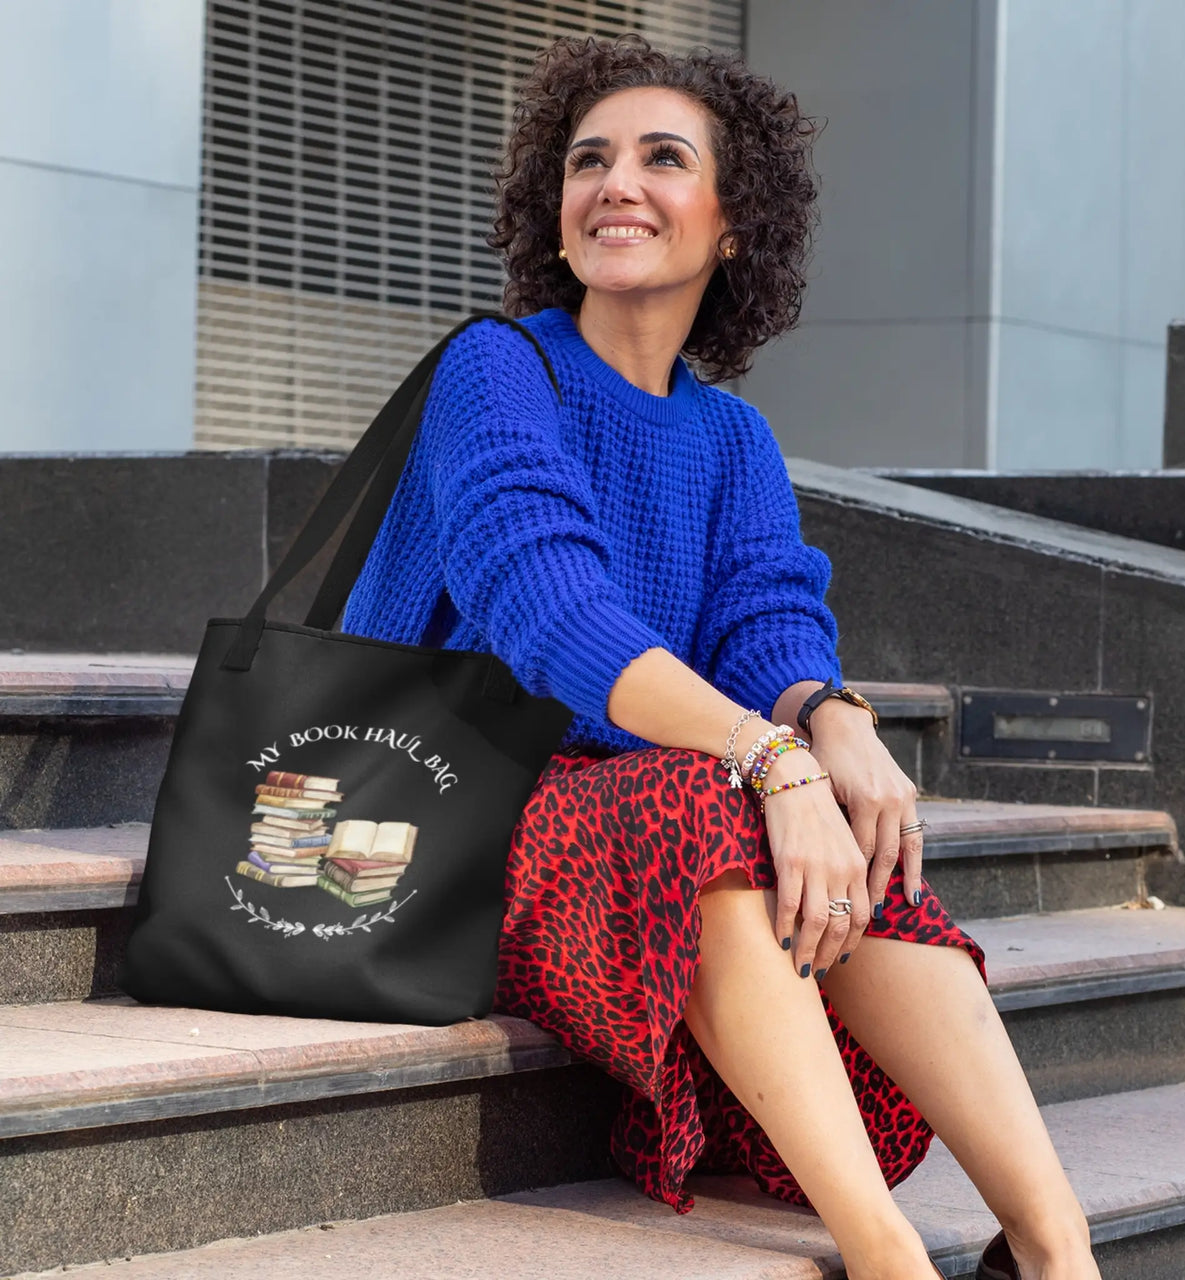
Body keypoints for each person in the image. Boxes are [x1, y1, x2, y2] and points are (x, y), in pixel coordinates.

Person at [341, 32, 1100, 1280]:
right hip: (457, 805)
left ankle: (1052, 1244)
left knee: (856, 823)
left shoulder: (730, 435)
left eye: (659, 157)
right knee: (711, 794)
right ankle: (883, 1254)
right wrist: (768, 758)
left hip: (648, 817)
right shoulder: (497, 369)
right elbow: (548, 613)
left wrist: (834, 726)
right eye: (587, 160)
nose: (614, 183)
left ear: (731, 221)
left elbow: (767, 628)